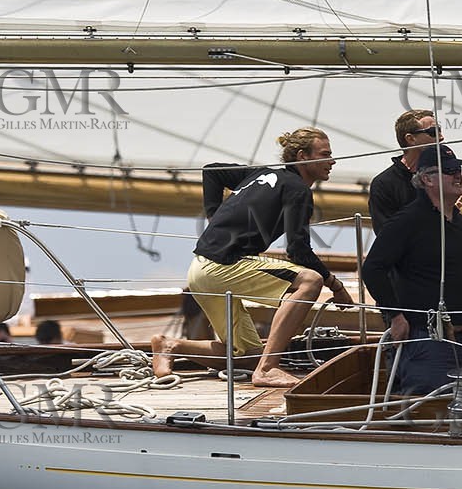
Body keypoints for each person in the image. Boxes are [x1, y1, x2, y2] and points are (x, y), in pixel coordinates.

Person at [152, 127, 354, 388]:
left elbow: (212, 170)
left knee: (247, 356)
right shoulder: (297, 190)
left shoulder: (262, 174)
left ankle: (172, 346)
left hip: (200, 270)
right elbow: (298, 251)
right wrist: (336, 286)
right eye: (326, 154)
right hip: (226, 265)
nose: (332, 161)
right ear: (303, 157)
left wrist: (213, 214)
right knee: (310, 281)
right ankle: (268, 369)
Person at [362, 144, 462, 396]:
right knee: (429, 412)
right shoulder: (408, 221)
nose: (457, 174)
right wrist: (395, 315)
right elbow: (373, 268)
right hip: (429, 341)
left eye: (458, 169)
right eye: (449, 170)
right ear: (426, 179)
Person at [368, 110, 442, 232]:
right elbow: (386, 236)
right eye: (433, 132)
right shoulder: (384, 184)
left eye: (439, 130)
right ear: (411, 139)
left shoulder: (444, 175)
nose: (441, 137)